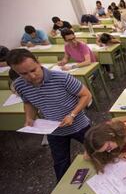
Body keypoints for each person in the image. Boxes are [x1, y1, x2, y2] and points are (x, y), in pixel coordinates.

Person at [7, 48, 92, 181]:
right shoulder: (19, 85)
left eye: (33, 70)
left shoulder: (62, 77)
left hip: (79, 125)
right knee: (60, 164)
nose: (32, 76)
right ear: (16, 72)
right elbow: (28, 102)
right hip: (54, 129)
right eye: (23, 73)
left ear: (38, 62)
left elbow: (86, 95)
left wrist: (72, 115)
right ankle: (63, 192)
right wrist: (29, 118)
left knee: (98, 150)